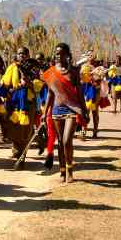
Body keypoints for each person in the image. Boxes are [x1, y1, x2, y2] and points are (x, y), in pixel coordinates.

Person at [43, 43, 88, 183]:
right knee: (60, 143)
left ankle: (70, 170)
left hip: (71, 109)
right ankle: (62, 170)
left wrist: (84, 110)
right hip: (56, 110)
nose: (58, 55)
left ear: (67, 55)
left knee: (67, 140)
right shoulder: (51, 72)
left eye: (61, 53)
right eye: (56, 53)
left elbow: (80, 93)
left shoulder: (74, 71)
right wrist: (45, 113)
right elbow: (50, 94)